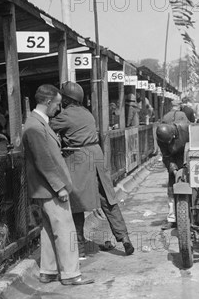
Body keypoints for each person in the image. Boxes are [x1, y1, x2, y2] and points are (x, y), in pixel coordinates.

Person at [50, 81, 135, 258]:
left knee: (77, 202)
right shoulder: (87, 113)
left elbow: (47, 129)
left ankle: (79, 248)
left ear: (66, 99)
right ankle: (124, 238)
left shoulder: (65, 115)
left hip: (80, 156)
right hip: (96, 153)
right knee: (108, 197)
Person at [23, 84, 93, 286]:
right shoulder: (35, 126)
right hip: (49, 187)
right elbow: (44, 161)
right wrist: (59, 187)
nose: (59, 109)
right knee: (65, 229)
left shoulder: (37, 123)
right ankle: (71, 274)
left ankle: (49, 270)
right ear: (47, 102)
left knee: (48, 230)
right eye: (57, 104)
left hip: (44, 187)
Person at [156, 122, 189, 230]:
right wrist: (173, 169)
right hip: (174, 162)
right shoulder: (161, 139)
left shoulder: (186, 129)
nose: (169, 143)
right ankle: (172, 219)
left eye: (170, 141)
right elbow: (166, 156)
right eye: (167, 142)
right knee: (171, 190)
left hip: (190, 159)